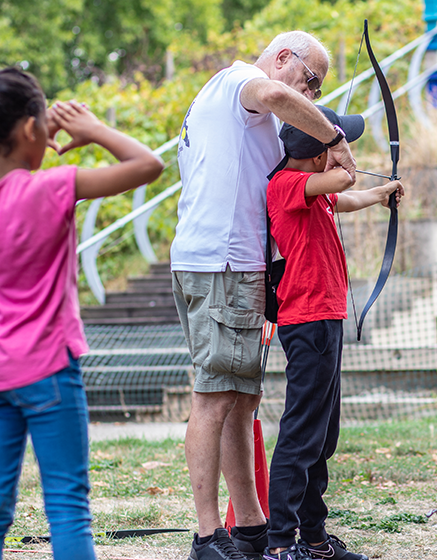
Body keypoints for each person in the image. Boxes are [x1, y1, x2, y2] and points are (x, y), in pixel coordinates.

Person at [0, 67, 163, 560]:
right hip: (47, 369)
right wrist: (91, 129)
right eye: (41, 124)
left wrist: (25, 122)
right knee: (66, 502)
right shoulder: (53, 186)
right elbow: (148, 164)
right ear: (28, 130)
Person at [171, 31, 358, 560]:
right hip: (222, 262)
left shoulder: (237, 103)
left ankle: (249, 526)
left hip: (232, 263)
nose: (312, 96)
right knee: (215, 397)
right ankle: (208, 536)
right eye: (312, 81)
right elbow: (277, 96)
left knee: (242, 398)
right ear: (283, 58)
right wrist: (332, 140)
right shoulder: (242, 83)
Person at [264, 107, 402, 560]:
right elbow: (341, 182)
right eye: (335, 147)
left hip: (323, 320)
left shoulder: (313, 190)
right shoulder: (286, 185)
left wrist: (380, 193)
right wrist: (339, 151)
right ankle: (281, 543)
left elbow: (344, 197)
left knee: (322, 436)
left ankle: (315, 539)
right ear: (318, 155)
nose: (346, 154)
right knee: (302, 433)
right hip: (309, 321)